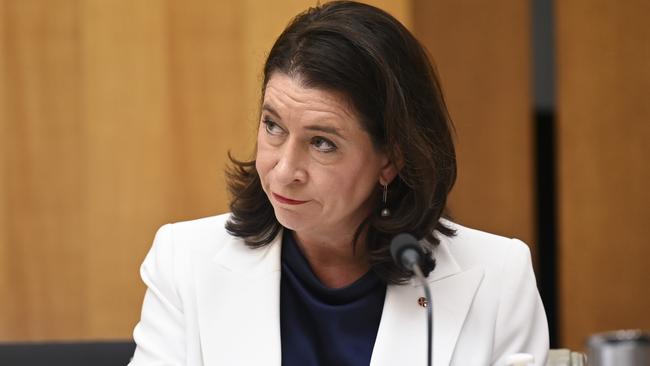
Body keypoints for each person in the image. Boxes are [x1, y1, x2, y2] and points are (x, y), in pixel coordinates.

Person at [128, 1, 549, 365]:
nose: (284, 169)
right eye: (273, 126)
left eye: (322, 143)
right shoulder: (184, 261)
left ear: (392, 159)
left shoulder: (497, 278)